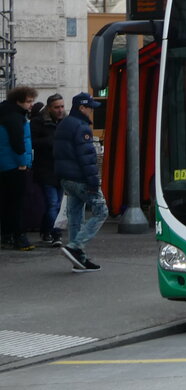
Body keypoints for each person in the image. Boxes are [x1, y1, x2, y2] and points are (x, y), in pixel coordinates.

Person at [54, 92, 107, 271]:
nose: (92, 111)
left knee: (76, 216)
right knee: (101, 210)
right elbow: (87, 158)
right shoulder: (81, 127)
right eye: (90, 107)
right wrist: (94, 182)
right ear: (82, 108)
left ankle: (79, 259)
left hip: (67, 178)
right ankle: (75, 247)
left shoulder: (64, 124)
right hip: (81, 178)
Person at [0, 84, 37, 251]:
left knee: (7, 203)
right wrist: (23, 163)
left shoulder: (5, 112)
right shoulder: (15, 117)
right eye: (28, 101)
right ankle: (19, 237)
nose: (31, 105)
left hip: (5, 164)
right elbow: (17, 142)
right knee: (17, 203)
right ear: (18, 101)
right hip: (15, 166)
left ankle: (6, 235)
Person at [31, 92, 66, 247]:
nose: (60, 110)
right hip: (45, 169)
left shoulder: (65, 121)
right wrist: (50, 141)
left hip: (60, 169)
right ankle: (55, 233)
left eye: (62, 106)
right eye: (56, 107)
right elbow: (31, 142)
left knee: (57, 204)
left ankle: (47, 231)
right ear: (49, 108)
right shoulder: (39, 122)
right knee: (53, 203)